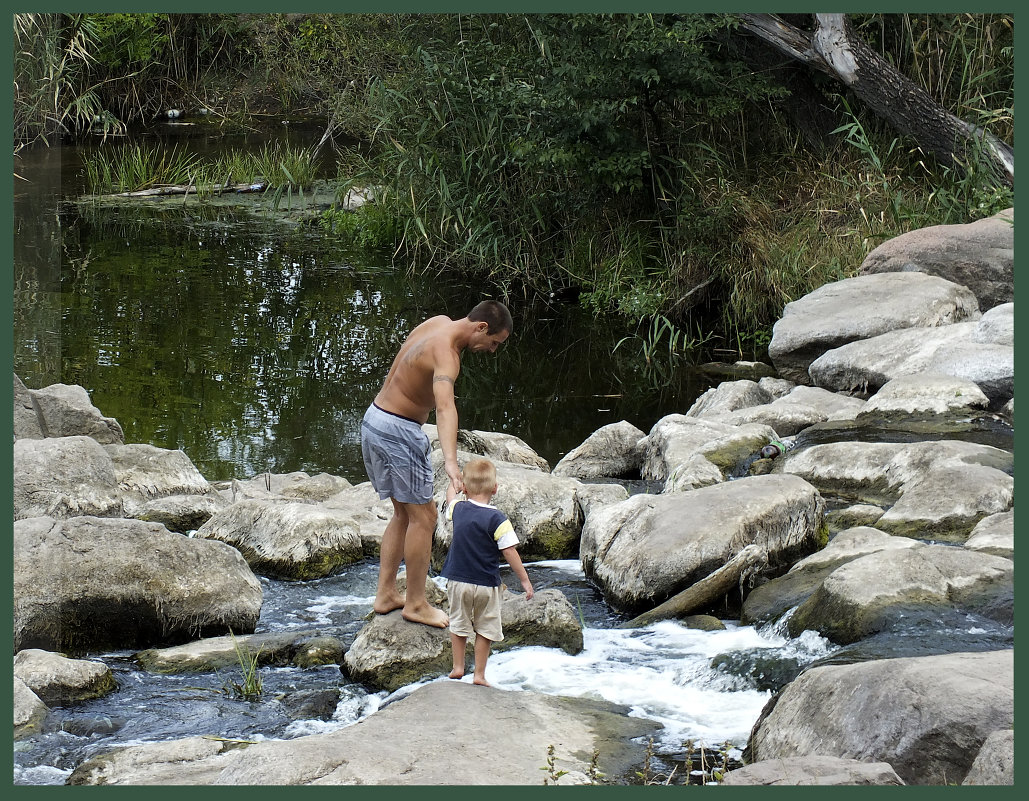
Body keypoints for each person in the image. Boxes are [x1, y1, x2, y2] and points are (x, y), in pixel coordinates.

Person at [361, 300, 513, 628]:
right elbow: (445, 408)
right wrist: (452, 464)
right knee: (425, 518)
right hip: (398, 431)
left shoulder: (437, 322)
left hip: (375, 419)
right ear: (481, 327)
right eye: (494, 342)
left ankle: (386, 593)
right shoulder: (448, 353)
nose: (492, 350)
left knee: (404, 514)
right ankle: (415, 603)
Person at [441, 457, 534, 686]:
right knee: (486, 628)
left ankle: (458, 667)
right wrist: (524, 580)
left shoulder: (459, 509)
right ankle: (479, 675)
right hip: (486, 583)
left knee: (458, 623)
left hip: (458, 580)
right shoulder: (498, 518)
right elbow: (510, 551)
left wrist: (455, 482)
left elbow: (449, 496)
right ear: (495, 488)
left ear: (465, 487)